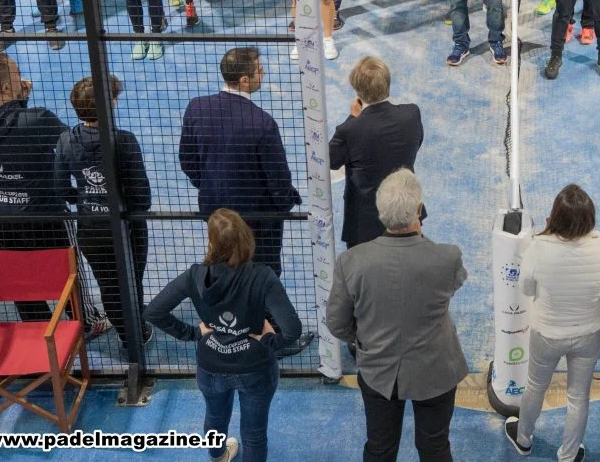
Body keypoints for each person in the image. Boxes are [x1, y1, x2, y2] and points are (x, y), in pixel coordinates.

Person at [327, 169, 469, 462]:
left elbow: (337, 323)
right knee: (435, 448)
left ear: (380, 212)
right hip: (436, 370)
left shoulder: (351, 261)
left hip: (379, 371)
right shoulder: (448, 257)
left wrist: (366, 337)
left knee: (380, 448)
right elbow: (452, 286)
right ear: (419, 211)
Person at [147, 209, 302, 461]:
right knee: (254, 433)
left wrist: (192, 333)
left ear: (212, 242)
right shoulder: (263, 276)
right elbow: (293, 329)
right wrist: (270, 341)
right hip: (255, 367)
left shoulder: (195, 275)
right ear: (246, 237)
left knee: (215, 417)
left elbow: (154, 311)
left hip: (211, 364)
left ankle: (218, 455)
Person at [505, 184, 600, 462]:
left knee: (535, 387)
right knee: (578, 397)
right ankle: (568, 456)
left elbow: (527, 290)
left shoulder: (537, 248)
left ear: (554, 217)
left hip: (546, 334)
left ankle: (523, 439)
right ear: (590, 217)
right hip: (590, 334)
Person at [0, 53, 72, 320]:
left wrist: (19, 101)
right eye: (17, 72)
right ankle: (86, 320)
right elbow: (71, 144)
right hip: (44, 213)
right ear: (9, 87)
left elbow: (4, 125)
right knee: (66, 270)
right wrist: (23, 103)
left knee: (18, 273)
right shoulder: (38, 119)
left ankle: (36, 323)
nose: (22, 77)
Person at [179, 48, 303, 274]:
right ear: (244, 80)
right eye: (260, 71)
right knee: (261, 277)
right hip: (257, 221)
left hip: (215, 213)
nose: (263, 74)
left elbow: (187, 162)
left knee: (222, 270)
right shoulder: (262, 123)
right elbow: (278, 179)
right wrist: (284, 204)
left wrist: (210, 185)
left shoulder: (196, 108)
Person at [56, 74, 151, 340]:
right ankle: (136, 332)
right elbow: (141, 196)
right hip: (126, 227)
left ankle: (124, 331)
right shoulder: (124, 140)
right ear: (110, 103)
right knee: (131, 280)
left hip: (90, 228)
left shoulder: (65, 140)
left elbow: (61, 187)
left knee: (108, 284)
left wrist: (87, 200)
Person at [330, 57, 424, 250]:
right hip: (406, 212)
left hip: (366, 223)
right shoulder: (412, 114)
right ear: (387, 84)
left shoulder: (349, 130)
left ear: (357, 90)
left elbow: (330, 160)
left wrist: (353, 118)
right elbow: (417, 142)